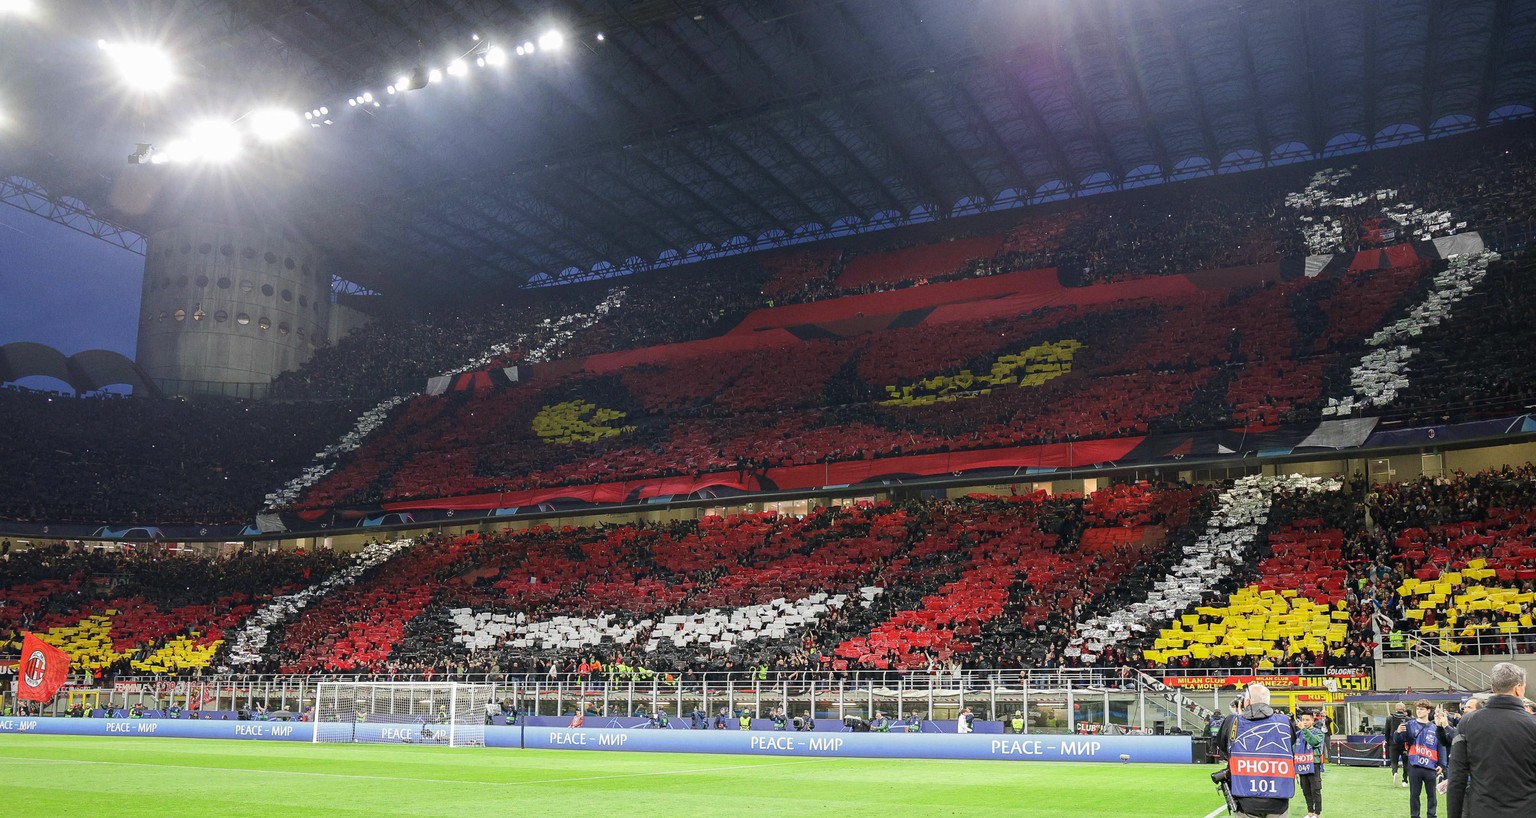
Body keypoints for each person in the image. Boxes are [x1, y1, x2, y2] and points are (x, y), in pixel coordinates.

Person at [1447, 662, 1536, 818]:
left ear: (1493, 688)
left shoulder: (1468, 722)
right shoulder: (1532, 724)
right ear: (1518, 688)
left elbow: (1456, 779)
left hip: (1483, 810)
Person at [1215, 684, 1294, 818]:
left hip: (1244, 798)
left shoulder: (1232, 721)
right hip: (1278, 799)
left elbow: (1223, 747)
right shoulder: (1285, 722)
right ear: (1268, 702)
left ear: (1247, 701)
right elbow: (1290, 743)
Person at [1398, 699, 1452, 818]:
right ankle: (1415, 815)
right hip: (1414, 765)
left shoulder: (1434, 727)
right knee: (1414, 795)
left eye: (1422, 709)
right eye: (1417, 709)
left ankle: (1431, 815)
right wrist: (1397, 733)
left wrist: (1442, 765)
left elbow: (1441, 745)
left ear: (1428, 711)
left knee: (1432, 795)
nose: (1419, 711)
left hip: (1430, 766)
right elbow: (1399, 740)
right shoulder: (1410, 725)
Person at [1293, 709, 1325, 818]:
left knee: (1315, 789)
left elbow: (1314, 742)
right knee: (1306, 790)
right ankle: (1310, 812)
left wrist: (1304, 730)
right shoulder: (1298, 734)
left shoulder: (1318, 732)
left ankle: (1317, 813)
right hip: (1301, 764)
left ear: (1312, 720)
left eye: (1307, 720)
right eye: (1303, 720)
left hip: (1313, 764)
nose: (1304, 722)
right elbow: (1294, 748)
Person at [1386, 702, 1410, 786]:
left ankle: (1395, 772)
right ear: (1404, 709)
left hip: (1393, 743)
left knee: (1394, 761)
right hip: (1404, 744)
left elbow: (1387, 732)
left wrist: (1388, 742)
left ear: (1395, 709)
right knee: (1405, 762)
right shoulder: (1407, 719)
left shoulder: (1389, 718)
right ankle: (1405, 780)